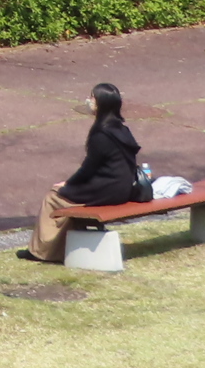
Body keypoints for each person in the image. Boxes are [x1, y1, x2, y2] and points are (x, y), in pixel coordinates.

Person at [23, 81, 144, 263]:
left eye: (92, 98)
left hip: (105, 191)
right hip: (122, 188)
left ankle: (40, 252)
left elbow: (88, 168)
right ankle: (57, 248)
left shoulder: (101, 135)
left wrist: (68, 183)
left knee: (53, 197)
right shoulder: (122, 129)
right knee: (67, 199)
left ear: (101, 104)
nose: (88, 101)